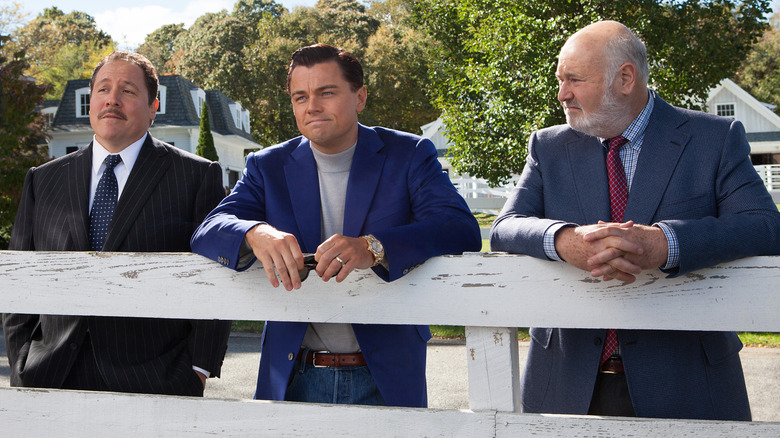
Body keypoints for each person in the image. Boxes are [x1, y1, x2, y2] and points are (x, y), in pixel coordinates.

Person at [490, 21, 780, 420]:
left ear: (625, 78)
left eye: (574, 79)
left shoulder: (713, 137)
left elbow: (765, 226)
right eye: (560, 79)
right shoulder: (548, 145)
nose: (562, 94)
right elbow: (505, 228)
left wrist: (665, 244)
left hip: (688, 382)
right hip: (564, 384)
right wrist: (563, 239)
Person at [191, 43, 481, 407]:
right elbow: (209, 228)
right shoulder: (266, 166)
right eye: (300, 97)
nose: (312, 106)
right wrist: (255, 232)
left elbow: (459, 228)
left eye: (326, 92)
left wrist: (373, 247)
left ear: (359, 97)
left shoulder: (409, 154)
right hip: (293, 374)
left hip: (385, 376)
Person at [3, 51, 231, 396]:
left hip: (156, 379)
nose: (112, 99)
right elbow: (20, 280)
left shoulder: (196, 177)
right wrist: (21, 361)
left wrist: (197, 368)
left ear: (154, 107)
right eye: (102, 89)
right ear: (92, 101)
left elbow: (217, 278)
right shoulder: (43, 180)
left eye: (127, 91)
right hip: (50, 377)